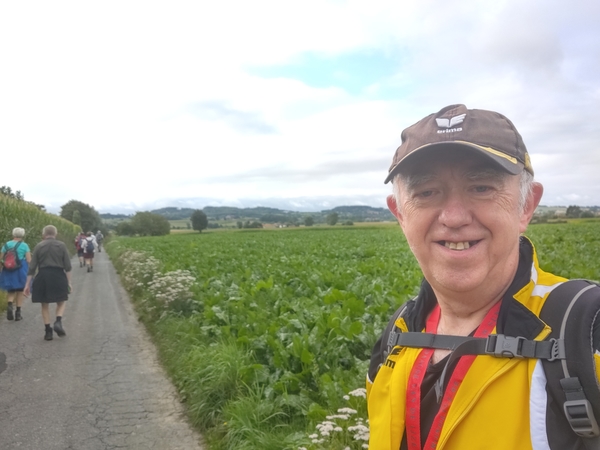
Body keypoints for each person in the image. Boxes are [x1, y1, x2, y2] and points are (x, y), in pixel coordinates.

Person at [366, 104, 599, 449]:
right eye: (427, 192)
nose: (454, 217)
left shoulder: (587, 328)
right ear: (400, 213)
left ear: (526, 206)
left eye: (482, 188)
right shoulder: (397, 337)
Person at [23, 225, 72, 341]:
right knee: (61, 300)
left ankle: (48, 332)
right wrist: (69, 283)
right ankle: (58, 321)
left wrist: (27, 284)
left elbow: (32, 267)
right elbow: (68, 267)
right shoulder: (61, 245)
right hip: (58, 275)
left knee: (44, 304)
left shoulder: (39, 246)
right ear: (55, 234)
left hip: (43, 276)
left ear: (44, 234)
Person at [0, 227, 32, 321]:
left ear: (13, 234)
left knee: (10, 290)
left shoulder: (6, 245)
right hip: (20, 269)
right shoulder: (24, 245)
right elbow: (29, 260)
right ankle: (18, 313)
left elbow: (1, 258)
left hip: (8, 269)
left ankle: (10, 304)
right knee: (20, 291)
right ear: (22, 235)